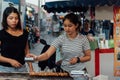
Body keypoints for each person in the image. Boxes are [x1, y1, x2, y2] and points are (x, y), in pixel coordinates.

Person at [27, 13, 91, 79]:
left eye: (70, 26)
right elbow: (47, 54)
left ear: (76, 25)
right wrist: (37, 58)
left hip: (79, 73)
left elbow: (88, 56)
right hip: (65, 72)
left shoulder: (83, 39)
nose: (67, 28)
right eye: (65, 26)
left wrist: (78, 59)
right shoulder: (61, 39)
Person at [0, 6, 34, 72]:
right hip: (5, 70)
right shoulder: (1, 34)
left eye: (16, 18)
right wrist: (10, 61)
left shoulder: (24, 33)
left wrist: (31, 69)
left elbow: (27, 53)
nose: (14, 21)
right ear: (5, 19)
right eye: (11, 18)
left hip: (22, 69)